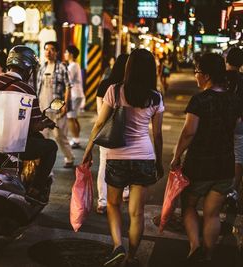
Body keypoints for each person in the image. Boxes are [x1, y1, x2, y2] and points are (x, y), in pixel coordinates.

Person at [82, 49, 164, 267]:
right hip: (144, 157)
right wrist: (159, 162)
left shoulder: (115, 90)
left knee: (113, 204)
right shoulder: (155, 97)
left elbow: (100, 124)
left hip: (117, 156)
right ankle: (132, 256)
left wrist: (89, 149)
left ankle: (118, 245)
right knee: (137, 213)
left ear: (129, 68)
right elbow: (157, 134)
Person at [170, 53, 241, 265]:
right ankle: (208, 256)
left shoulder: (199, 100)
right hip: (225, 165)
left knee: (189, 206)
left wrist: (176, 156)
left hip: (200, 164)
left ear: (207, 75)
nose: (196, 76)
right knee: (212, 214)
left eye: (197, 72)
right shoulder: (234, 99)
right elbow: (237, 128)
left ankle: (195, 246)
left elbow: (188, 133)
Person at [0, 45, 58, 205]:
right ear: (28, 68)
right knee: (51, 147)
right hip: (12, 144)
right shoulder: (27, 89)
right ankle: (36, 188)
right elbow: (34, 125)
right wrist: (45, 123)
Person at [95, 54, 129, 215]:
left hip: (107, 131)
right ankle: (126, 191)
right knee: (125, 162)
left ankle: (102, 202)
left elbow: (99, 112)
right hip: (127, 132)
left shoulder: (105, 85)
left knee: (104, 164)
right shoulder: (132, 87)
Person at [37, 41, 74, 168]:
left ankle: (69, 157)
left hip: (57, 107)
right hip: (43, 107)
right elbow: (38, 88)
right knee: (43, 135)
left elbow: (68, 87)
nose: (48, 52)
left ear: (57, 52)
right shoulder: (42, 67)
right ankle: (40, 160)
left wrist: (64, 104)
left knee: (59, 135)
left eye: (52, 49)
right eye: (46, 49)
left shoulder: (62, 67)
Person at [225, 47, 243, 214]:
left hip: (220, 122)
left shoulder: (221, 78)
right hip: (240, 122)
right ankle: (233, 191)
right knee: (238, 156)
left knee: (220, 150)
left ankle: (218, 186)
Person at [64, 45, 85, 149]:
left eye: (66, 52)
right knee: (74, 118)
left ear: (71, 54)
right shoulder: (76, 65)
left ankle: (76, 140)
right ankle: (76, 139)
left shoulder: (72, 66)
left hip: (73, 95)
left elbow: (68, 81)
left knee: (70, 118)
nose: (65, 54)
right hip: (78, 94)